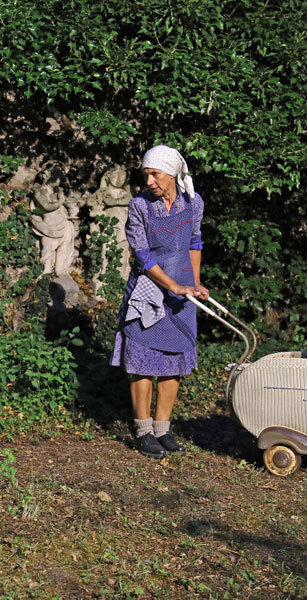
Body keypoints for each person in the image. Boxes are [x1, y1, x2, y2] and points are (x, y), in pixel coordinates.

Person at [110, 145, 209, 459]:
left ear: (173, 173)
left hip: (181, 292)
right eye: (146, 174)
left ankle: (163, 430)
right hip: (148, 291)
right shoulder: (140, 206)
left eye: (155, 173)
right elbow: (142, 254)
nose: (150, 180)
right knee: (142, 364)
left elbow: (194, 242)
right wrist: (173, 285)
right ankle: (144, 432)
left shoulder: (193, 203)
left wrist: (193, 284)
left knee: (172, 365)